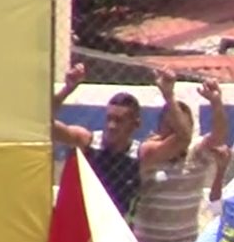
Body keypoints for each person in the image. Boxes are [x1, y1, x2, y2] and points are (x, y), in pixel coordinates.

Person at [134, 79, 231, 242]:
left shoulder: (196, 155)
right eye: (169, 124)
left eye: (180, 124)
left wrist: (216, 103)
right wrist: (169, 96)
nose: (176, 130)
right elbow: (178, 138)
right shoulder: (149, 152)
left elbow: (218, 135)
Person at [52, 65, 191, 220]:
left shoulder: (140, 153)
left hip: (118, 231)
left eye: (119, 121)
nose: (112, 126)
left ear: (135, 124)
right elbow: (45, 125)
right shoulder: (88, 141)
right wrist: (67, 89)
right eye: (109, 119)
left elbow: (183, 139)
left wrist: (168, 95)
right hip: (82, 225)